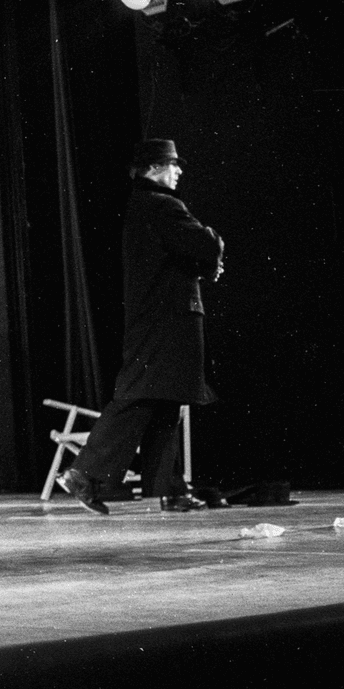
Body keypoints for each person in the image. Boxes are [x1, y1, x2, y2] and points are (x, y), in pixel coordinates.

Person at [59, 139, 224, 514]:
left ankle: (170, 489)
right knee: (141, 395)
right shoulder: (163, 205)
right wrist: (213, 248)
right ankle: (83, 473)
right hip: (166, 320)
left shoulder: (145, 206)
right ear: (152, 169)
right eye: (172, 164)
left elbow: (178, 257)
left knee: (164, 400)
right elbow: (206, 245)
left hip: (162, 317)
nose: (179, 170)